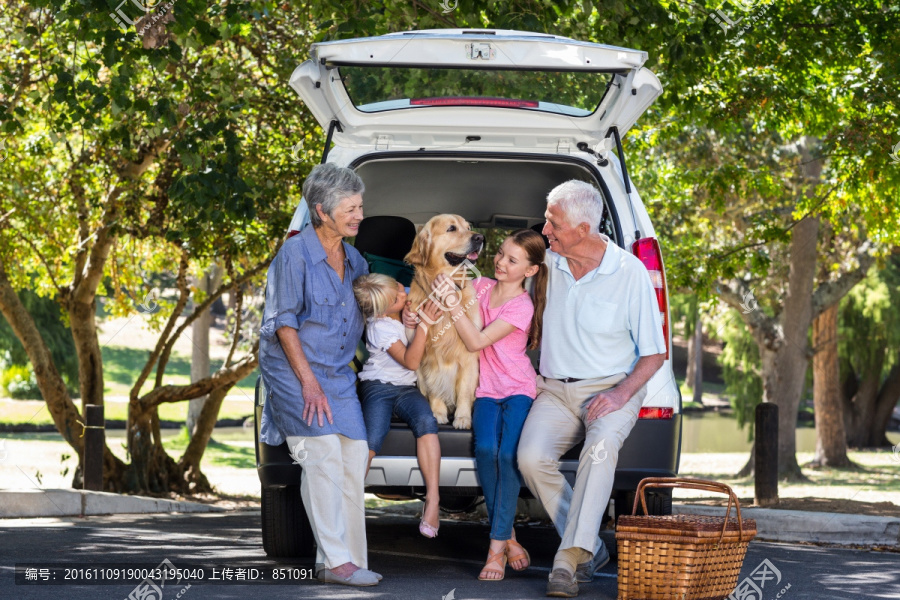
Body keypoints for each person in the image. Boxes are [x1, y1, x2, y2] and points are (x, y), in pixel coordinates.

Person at [516, 180, 666, 598]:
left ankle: (568, 559)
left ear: (583, 228)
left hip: (612, 388)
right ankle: (592, 547)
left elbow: (655, 354)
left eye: (554, 223)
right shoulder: (545, 265)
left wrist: (620, 396)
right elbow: (504, 294)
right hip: (555, 391)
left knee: (598, 454)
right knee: (530, 458)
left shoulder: (629, 272)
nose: (545, 230)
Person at [257, 163, 381, 587]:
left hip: (336, 372)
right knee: (322, 454)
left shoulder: (355, 258)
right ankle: (335, 559)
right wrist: (308, 382)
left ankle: (346, 560)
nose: (359, 216)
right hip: (293, 369)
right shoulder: (294, 254)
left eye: (360, 206)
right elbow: (284, 323)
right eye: (350, 208)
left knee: (352, 457)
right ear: (322, 211)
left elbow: (373, 310)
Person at [430, 229, 548, 582]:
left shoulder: (521, 306)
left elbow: (477, 340)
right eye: (500, 254)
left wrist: (453, 307)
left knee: (507, 457)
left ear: (530, 271)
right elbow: (442, 275)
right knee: (484, 450)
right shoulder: (480, 287)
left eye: (512, 260)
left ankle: (494, 549)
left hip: (517, 390)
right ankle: (509, 535)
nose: (500, 262)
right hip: (484, 390)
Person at [352, 273, 443, 539]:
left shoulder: (399, 313)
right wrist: (424, 325)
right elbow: (411, 361)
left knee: (427, 422)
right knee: (372, 437)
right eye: (397, 297)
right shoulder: (379, 326)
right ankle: (350, 503)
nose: (404, 294)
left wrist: (412, 320)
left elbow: (412, 314)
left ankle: (433, 501)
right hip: (378, 386)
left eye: (400, 289)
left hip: (406, 389)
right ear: (383, 308)